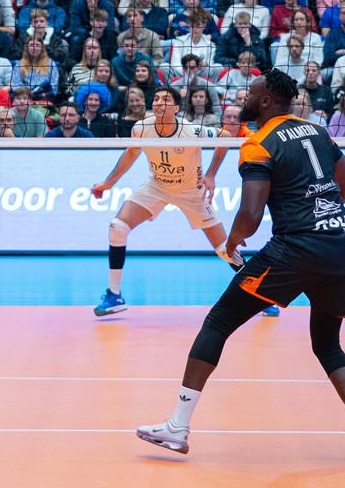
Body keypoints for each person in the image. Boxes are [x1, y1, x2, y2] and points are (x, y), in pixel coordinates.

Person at [137, 71, 345, 463]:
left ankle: (177, 428)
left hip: (294, 251)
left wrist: (232, 242)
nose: (243, 98)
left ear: (266, 99)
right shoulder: (318, 131)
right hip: (340, 246)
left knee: (218, 322)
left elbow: (250, 215)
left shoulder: (257, 144)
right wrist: (321, 213)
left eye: (249, 93)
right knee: (327, 343)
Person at [88, 88, 275, 317]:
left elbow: (225, 136)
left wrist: (211, 174)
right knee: (117, 227)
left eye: (166, 99)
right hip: (157, 187)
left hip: (191, 192)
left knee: (224, 249)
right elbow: (131, 154)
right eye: (156, 99)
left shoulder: (192, 130)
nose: (159, 103)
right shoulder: (141, 127)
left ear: (176, 108)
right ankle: (114, 295)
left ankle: (261, 296)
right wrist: (108, 183)